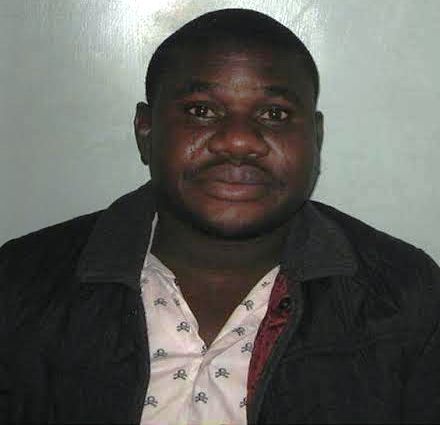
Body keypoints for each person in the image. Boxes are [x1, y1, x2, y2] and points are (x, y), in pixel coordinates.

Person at [1, 8, 439, 424]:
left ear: (316, 137)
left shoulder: (406, 298)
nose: (238, 141)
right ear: (145, 130)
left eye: (274, 114)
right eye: (202, 111)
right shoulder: (19, 284)